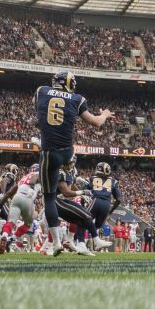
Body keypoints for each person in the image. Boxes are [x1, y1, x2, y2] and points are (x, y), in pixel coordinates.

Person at [35, 71, 114, 255]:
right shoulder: (77, 98)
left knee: (49, 198)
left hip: (49, 153)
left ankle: (55, 243)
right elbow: (96, 122)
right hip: (67, 152)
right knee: (63, 180)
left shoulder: (41, 91)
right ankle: (70, 167)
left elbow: (40, 116)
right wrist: (105, 114)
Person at [89, 162, 122, 241]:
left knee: (84, 221)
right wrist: (111, 211)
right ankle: (96, 242)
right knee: (98, 226)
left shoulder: (92, 178)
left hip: (95, 201)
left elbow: (85, 190)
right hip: (106, 205)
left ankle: (81, 242)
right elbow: (119, 199)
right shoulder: (114, 181)